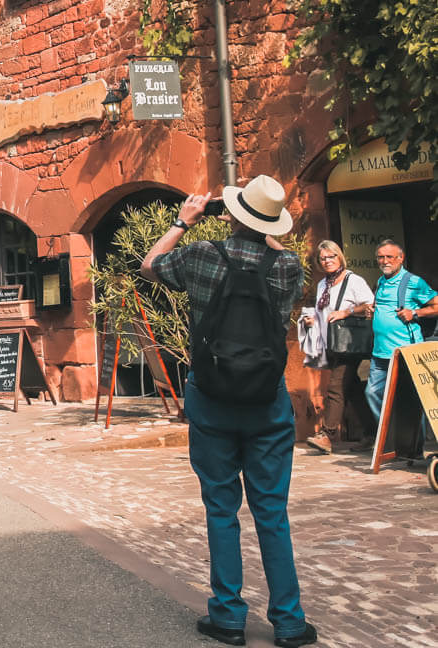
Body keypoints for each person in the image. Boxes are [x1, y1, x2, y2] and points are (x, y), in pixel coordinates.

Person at [140, 176, 316, 648]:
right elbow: (274, 254)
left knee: (221, 509)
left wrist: (184, 221)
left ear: (232, 216)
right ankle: (289, 622)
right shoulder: (288, 266)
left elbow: (149, 265)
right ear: (271, 223)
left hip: (212, 397)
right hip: (267, 403)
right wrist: (264, 229)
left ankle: (228, 617)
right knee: (272, 513)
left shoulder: (201, 255)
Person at [300, 241, 374, 453]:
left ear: (339, 257)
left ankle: (328, 434)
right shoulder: (323, 284)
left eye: (331, 256)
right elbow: (324, 313)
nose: (327, 261)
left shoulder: (353, 280)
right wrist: (312, 320)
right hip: (332, 344)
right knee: (352, 390)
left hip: (349, 343)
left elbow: (370, 306)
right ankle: (373, 434)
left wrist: (346, 312)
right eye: (323, 258)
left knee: (336, 386)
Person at [354, 239, 437, 428]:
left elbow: (436, 305)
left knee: (412, 398)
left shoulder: (413, 282)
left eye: (389, 257)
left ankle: (415, 441)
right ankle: (391, 436)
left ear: (401, 258)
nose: (385, 261)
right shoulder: (381, 281)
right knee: (373, 393)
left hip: (405, 351)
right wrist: (372, 311)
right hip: (380, 353)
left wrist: (415, 312)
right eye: (380, 257)